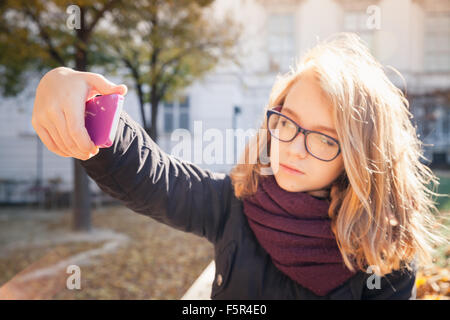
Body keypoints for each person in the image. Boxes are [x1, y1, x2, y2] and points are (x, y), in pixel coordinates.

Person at [32, 33, 446, 299]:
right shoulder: (236, 203)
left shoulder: (384, 258)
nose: (294, 147)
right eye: (287, 122)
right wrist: (79, 97)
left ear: (359, 155)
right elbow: (152, 177)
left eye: (323, 137)